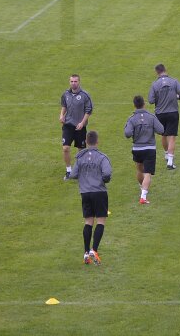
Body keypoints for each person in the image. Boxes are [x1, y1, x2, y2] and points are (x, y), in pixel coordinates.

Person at [70, 130, 112, 265]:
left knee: (88, 222)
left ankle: (86, 252)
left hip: (85, 192)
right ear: (97, 142)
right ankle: (94, 249)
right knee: (100, 221)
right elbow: (107, 174)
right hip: (99, 192)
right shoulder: (102, 157)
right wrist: (102, 179)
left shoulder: (80, 157)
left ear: (86, 142)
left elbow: (73, 174)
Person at [123, 95, 164, 205]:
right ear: (144, 104)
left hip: (137, 149)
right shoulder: (151, 117)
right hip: (149, 148)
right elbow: (161, 130)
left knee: (140, 170)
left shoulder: (131, 119)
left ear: (134, 105)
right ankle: (143, 197)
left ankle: (143, 188)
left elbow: (127, 134)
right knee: (147, 173)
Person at [148, 63, 180, 171]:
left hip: (160, 113)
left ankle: (166, 154)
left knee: (163, 135)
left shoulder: (154, 84)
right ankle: (170, 162)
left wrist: (159, 97)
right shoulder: (173, 81)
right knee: (172, 137)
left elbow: (151, 100)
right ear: (166, 69)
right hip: (173, 112)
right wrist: (177, 96)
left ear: (157, 72)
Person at [60, 74, 93, 180]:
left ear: (79, 82)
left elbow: (89, 110)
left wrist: (82, 123)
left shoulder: (85, 95)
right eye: (72, 81)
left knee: (81, 151)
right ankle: (69, 171)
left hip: (80, 127)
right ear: (69, 82)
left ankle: (79, 170)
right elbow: (64, 105)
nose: (73, 83)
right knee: (65, 148)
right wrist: (61, 115)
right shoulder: (66, 94)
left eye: (75, 81)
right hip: (68, 125)